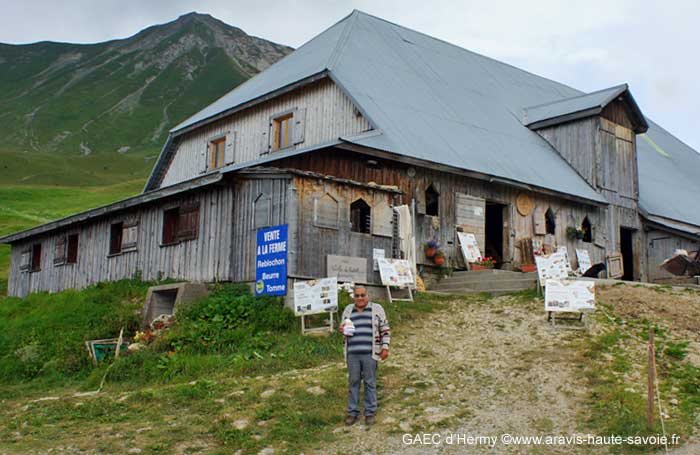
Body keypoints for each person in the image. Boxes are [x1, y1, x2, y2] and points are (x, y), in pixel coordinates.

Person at [338, 285, 390, 426]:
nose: (360, 298)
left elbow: (385, 329)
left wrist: (385, 347)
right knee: (353, 382)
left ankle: (370, 412)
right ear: (353, 297)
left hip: (370, 353)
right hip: (352, 354)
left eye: (362, 295)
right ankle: (352, 412)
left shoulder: (377, 309)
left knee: (370, 382)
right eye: (357, 296)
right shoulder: (348, 310)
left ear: (367, 295)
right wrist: (342, 329)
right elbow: (343, 328)